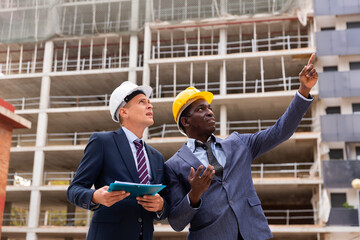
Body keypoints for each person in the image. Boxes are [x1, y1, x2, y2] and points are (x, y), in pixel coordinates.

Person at [164, 53, 318, 240]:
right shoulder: (173, 165)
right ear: (186, 121)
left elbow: (281, 131)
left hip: (254, 234)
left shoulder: (239, 144)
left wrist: (303, 90)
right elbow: (176, 222)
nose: (210, 113)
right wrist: (194, 194)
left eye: (210, 108)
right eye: (201, 109)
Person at [67, 81, 168, 240]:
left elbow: (164, 205)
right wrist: (95, 197)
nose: (150, 106)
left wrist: (161, 206)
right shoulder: (102, 142)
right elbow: (74, 190)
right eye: (142, 102)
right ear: (124, 112)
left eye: (149, 102)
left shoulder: (157, 157)